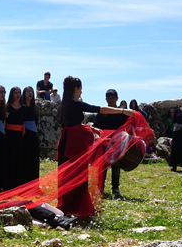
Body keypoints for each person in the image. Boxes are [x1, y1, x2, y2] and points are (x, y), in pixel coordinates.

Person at [56, 76, 135, 215]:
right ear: (75, 89)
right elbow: (100, 109)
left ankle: (67, 205)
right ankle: (76, 206)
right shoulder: (75, 104)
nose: (81, 92)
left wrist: (91, 129)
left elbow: (72, 124)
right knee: (78, 175)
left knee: (66, 175)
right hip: (73, 146)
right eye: (80, 89)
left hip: (66, 142)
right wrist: (123, 111)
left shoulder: (64, 104)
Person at [93, 89, 130, 197]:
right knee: (102, 166)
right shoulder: (102, 112)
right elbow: (96, 126)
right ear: (106, 99)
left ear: (117, 99)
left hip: (117, 143)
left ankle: (115, 188)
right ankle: (100, 188)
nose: (111, 100)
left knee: (116, 165)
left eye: (113, 98)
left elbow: (129, 123)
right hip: (104, 143)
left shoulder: (122, 112)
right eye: (109, 98)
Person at [4, 86, 26, 189]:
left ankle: (19, 182)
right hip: (9, 136)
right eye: (15, 93)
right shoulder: (7, 107)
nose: (18, 95)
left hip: (19, 136)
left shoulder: (24, 108)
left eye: (19, 92)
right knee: (9, 158)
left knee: (20, 158)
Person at [22, 86, 40, 187]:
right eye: (28, 91)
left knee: (33, 157)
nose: (30, 93)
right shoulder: (22, 107)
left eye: (31, 91)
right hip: (24, 134)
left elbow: (36, 121)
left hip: (33, 134)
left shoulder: (34, 108)